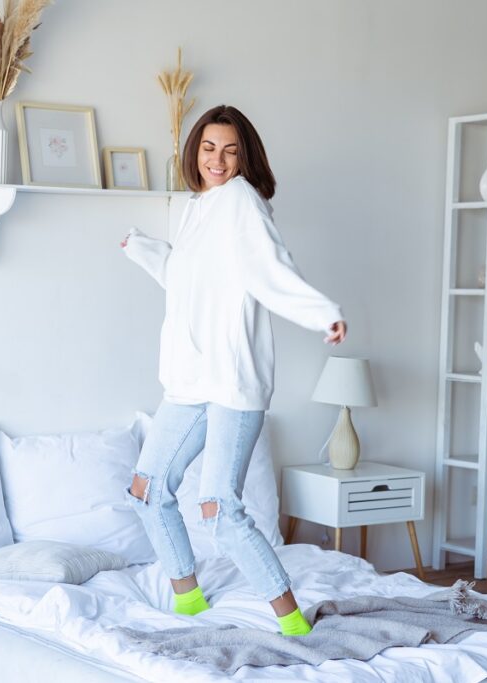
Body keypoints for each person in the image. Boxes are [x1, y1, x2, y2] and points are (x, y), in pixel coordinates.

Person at [120, 104, 346, 637]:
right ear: (194, 151)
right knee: (148, 489)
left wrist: (322, 313)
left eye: (230, 150)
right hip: (190, 380)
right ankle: (190, 602)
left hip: (232, 380)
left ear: (245, 157)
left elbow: (270, 269)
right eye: (208, 148)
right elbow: (187, 280)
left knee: (219, 506)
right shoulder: (198, 205)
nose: (217, 160)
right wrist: (143, 249)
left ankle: (292, 622)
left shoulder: (242, 201)